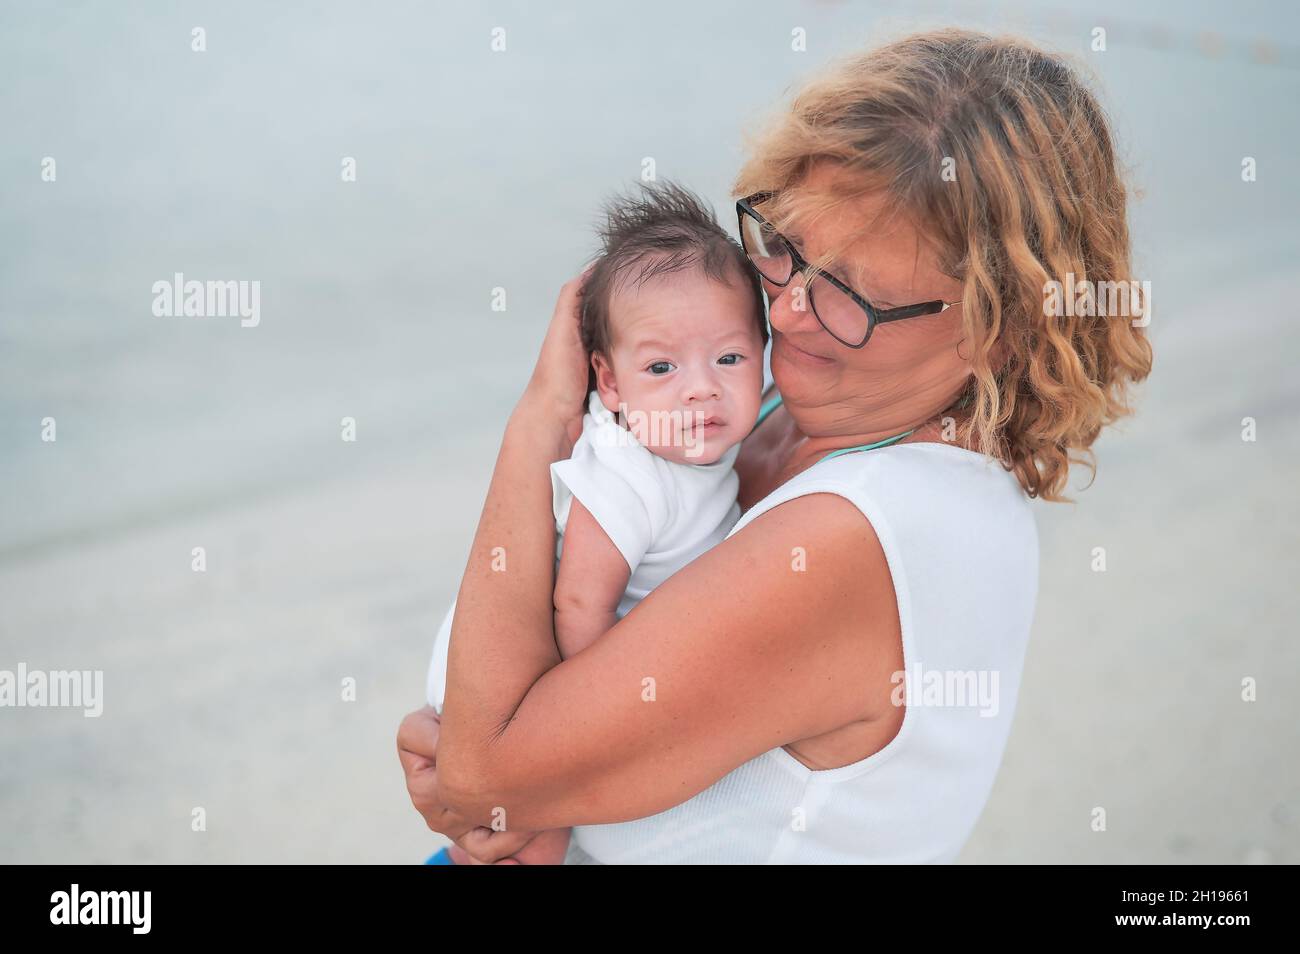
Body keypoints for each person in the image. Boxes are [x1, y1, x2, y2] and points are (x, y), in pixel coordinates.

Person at [399, 27, 1152, 864]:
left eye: (851, 295)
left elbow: (484, 772)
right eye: (785, 246)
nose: (789, 309)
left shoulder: (864, 533)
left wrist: (539, 421)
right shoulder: (774, 404)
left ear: (999, 331)